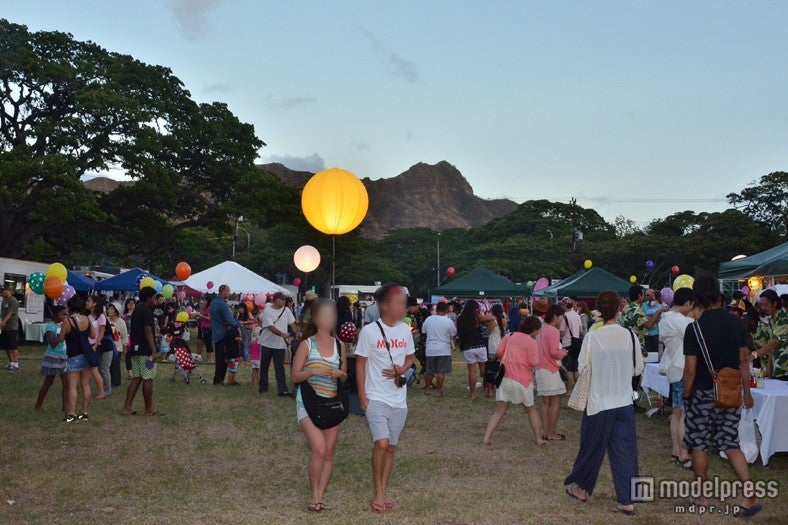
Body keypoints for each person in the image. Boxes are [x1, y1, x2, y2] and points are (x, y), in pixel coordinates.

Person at [682, 274, 760, 516]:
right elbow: (744, 362)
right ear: (718, 294)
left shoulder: (694, 328)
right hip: (730, 393)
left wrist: (686, 395)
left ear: (697, 298)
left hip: (703, 395)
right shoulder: (736, 323)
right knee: (730, 443)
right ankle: (749, 494)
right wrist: (746, 392)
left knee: (700, 445)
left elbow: (690, 370)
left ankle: (702, 497)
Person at [564, 291, 644, 515]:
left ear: (598, 309)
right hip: (624, 401)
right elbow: (638, 368)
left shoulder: (593, 336)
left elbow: (582, 368)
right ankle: (629, 500)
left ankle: (581, 488)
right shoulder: (629, 335)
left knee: (591, 448)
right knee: (626, 451)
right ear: (619, 308)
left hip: (599, 402)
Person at [355, 283, 415, 514]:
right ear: (384, 305)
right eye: (399, 302)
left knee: (390, 447)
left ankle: (383, 490)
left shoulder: (404, 330)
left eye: (403, 302)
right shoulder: (370, 331)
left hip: (399, 399)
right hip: (376, 396)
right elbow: (360, 363)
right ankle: (378, 492)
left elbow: (410, 358)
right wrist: (363, 396)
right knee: (381, 443)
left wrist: (403, 369)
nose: (404, 307)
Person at [291, 298, 348, 512]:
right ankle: (314, 494)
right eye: (324, 315)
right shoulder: (307, 344)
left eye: (332, 315)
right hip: (308, 402)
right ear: (315, 319)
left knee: (329, 452)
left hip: (331, 403)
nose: (329, 319)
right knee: (320, 448)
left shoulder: (339, 345)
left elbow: (345, 377)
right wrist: (312, 371)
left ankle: (320, 496)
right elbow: (294, 376)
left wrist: (339, 373)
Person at [483, 317, 546, 446]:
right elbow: (534, 362)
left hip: (505, 378)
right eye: (538, 331)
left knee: (499, 410)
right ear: (534, 330)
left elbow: (499, 352)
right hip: (523, 380)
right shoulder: (532, 342)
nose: (538, 333)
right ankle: (538, 438)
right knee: (530, 409)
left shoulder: (509, 336)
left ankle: (487, 437)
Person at [658, 287, 695, 469]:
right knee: (684, 413)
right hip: (682, 369)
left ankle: (675, 450)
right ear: (688, 303)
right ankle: (684, 453)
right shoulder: (680, 321)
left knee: (676, 413)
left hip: (674, 369)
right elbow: (695, 335)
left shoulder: (666, 319)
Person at [122, 286, 160, 416]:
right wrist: (153, 351)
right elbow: (148, 331)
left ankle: (127, 407)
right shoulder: (147, 311)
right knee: (148, 379)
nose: (154, 301)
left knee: (137, 378)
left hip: (136, 351)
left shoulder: (137, 310)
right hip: (146, 352)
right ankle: (149, 409)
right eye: (154, 298)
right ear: (148, 298)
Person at [536, 305, 568, 440]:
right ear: (555, 316)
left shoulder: (541, 330)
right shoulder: (553, 331)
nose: (562, 319)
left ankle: (545, 432)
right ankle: (551, 432)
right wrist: (564, 353)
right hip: (551, 369)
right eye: (561, 317)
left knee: (545, 402)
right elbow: (554, 353)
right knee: (555, 401)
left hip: (540, 369)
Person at [259, 291, 300, 396]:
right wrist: (282, 334)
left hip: (280, 345)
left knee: (280, 368)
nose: (284, 301)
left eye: (284, 299)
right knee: (264, 366)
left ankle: (282, 390)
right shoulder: (267, 311)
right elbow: (270, 327)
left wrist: (297, 333)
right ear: (275, 299)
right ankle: (263, 388)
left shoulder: (287, 310)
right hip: (267, 343)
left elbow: (292, 324)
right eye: (282, 299)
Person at [63, 296, 96, 422]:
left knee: (72, 386)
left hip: (74, 355)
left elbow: (61, 338)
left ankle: (71, 414)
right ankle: (84, 412)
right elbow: (93, 335)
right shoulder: (87, 319)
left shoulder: (68, 321)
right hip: (86, 355)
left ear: (70, 307)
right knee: (85, 384)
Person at [34, 305, 70, 413]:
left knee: (66, 383)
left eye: (66, 314)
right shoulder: (50, 326)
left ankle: (65, 408)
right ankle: (38, 405)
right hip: (53, 356)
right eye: (62, 314)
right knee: (48, 382)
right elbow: (53, 343)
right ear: (56, 315)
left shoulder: (63, 325)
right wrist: (62, 335)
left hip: (64, 356)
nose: (65, 316)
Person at [456, 300, 495, 401]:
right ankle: (489, 391)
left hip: (468, 347)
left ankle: (472, 394)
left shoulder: (460, 318)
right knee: (484, 371)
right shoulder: (477, 317)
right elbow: (491, 318)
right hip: (480, 345)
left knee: (472, 372)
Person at [421, 302, 456, 396]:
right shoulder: (448, 321)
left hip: (430, 349)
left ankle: (427, 389)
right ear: (446, 310)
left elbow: (423, 331)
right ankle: (438, 390)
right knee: (441, 371)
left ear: (436, 310)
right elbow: (453, 333)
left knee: (429, 371)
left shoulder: (429, 319)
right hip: (444, 349)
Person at [754, 289, 787, 380]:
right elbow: (772, 348)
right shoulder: (772, 319)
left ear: (775, 303)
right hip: (778, 370)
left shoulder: (784, 318)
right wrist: (769, 368)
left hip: (785, 369)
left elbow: (774, 342)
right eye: (761, 305)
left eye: (766, 304)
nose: (763, 308)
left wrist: (753, 355)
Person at [210, 285, 239, 386]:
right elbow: (229, 319)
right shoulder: (222, 304)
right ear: (222, 291)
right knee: (223, 358)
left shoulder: (213, 303)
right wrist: (237, 326)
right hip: (223, 334)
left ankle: (217, 379)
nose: (229, 293)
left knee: (219, 358)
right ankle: (219, 380)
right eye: (227, 291)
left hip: (216, 333)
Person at [85, 295, 108, 399]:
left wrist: (95, 345)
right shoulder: (88, 316)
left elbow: (102, 332)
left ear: (95, 303)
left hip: (95, 345)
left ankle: (102, 392)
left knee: (94, 369)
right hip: (88, 344)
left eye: (89, 301)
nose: (87, 302)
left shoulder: (101, 317)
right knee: (88, 370)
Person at [558, 297, 583, 384]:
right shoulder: (577, 315)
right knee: (575, 367)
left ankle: (569, 390)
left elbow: (562, 333)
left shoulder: (564, 317)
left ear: (564, 305)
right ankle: (577, 388)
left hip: (567, 344)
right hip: (576, 343)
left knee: (568, 368)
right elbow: (581, 331)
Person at [1, 284, 20, 371]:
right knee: (7, 346)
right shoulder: (4, 300)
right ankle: (11, 363)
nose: (1, 294)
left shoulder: (13, 300)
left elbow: (10, 314)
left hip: (12, 327)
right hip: (5, 328)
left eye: (2, 292)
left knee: (13, 346)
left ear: (7, 291)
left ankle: (16, 365)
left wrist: (3, 322)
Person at [642, 288, 666, 356]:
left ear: (653, 295)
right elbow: (643, 318)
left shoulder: (660, 306)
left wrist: (651, 318)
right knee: (648, 355)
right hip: (646, 333)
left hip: (656, 333)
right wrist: (654, 317)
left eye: (648, 295)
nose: (646, 297)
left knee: (656, 354)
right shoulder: (644, 305)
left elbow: (659, 319)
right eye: (645, 295)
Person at [197, 297, 214, 363]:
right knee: (201, 342)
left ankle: (210, 359)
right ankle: (199, 357)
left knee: (208, 344)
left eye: (204, 300)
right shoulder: (205, 308)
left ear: (207, 302)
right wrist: (200, 313)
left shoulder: (209, 309)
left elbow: (210, 318)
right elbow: (203, 316)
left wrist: (201, 316)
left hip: (208, 329)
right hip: (202, 328)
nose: (203, 302)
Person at [122, 298, 136, 378]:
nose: (131, 305)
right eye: (129, 303)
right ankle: (130, 373)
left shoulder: (137, 315)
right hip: (126, 338)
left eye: (133, 303)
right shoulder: (123, 317)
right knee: (128, 355)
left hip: (135, 338)